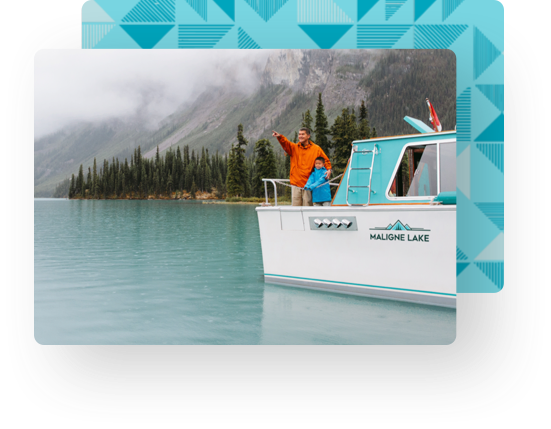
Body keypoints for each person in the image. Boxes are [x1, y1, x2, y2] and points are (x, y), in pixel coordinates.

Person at [272, 128, 331, 206]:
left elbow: (325, 160)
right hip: (296, 184)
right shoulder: (294, 148)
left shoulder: (316, 149)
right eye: (299, 134)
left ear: (308, 136)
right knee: (295, 209)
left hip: (308, 185)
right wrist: (280, 137)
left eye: (303, 134)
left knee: (307, 208)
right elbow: (286, 144)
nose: (300, 136)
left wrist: (329, 169)